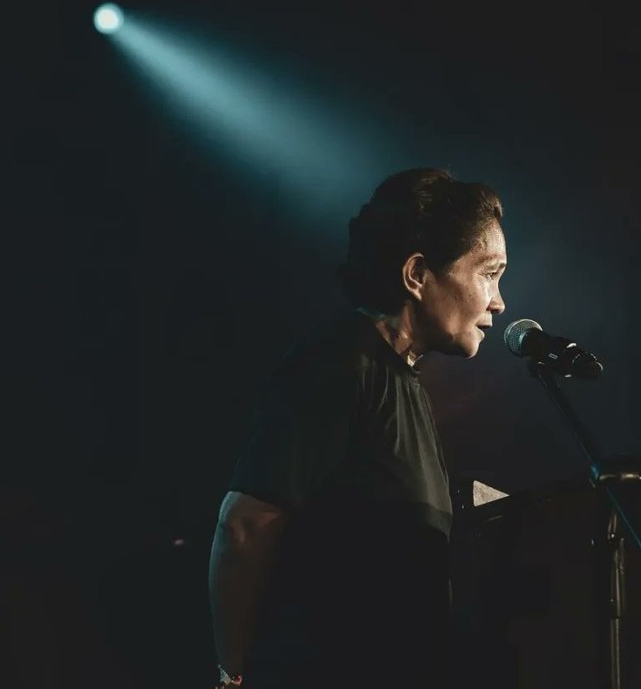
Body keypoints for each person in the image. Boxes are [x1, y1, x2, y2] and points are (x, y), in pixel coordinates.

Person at [208, 167, 508, 688]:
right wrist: (231, 676)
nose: (499, 302)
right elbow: (245, 526)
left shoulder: (404, 381)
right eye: (489, 273)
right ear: (417, 275)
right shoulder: (343, 363)